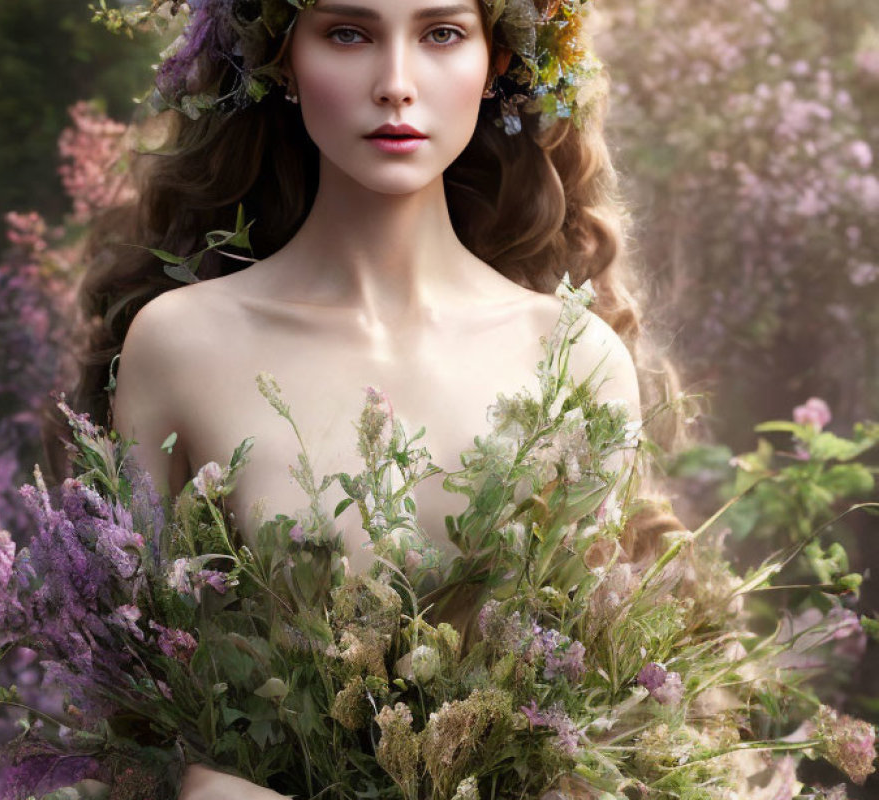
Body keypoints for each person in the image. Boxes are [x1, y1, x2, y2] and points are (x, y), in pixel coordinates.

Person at [53, 0, 680, 796]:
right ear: (281, 59)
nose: (394, 84)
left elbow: (596, 723)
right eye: (348, 33)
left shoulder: (576, 361)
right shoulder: (180, 345)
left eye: (442, 34)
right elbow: (135, 706)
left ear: (500, 61)